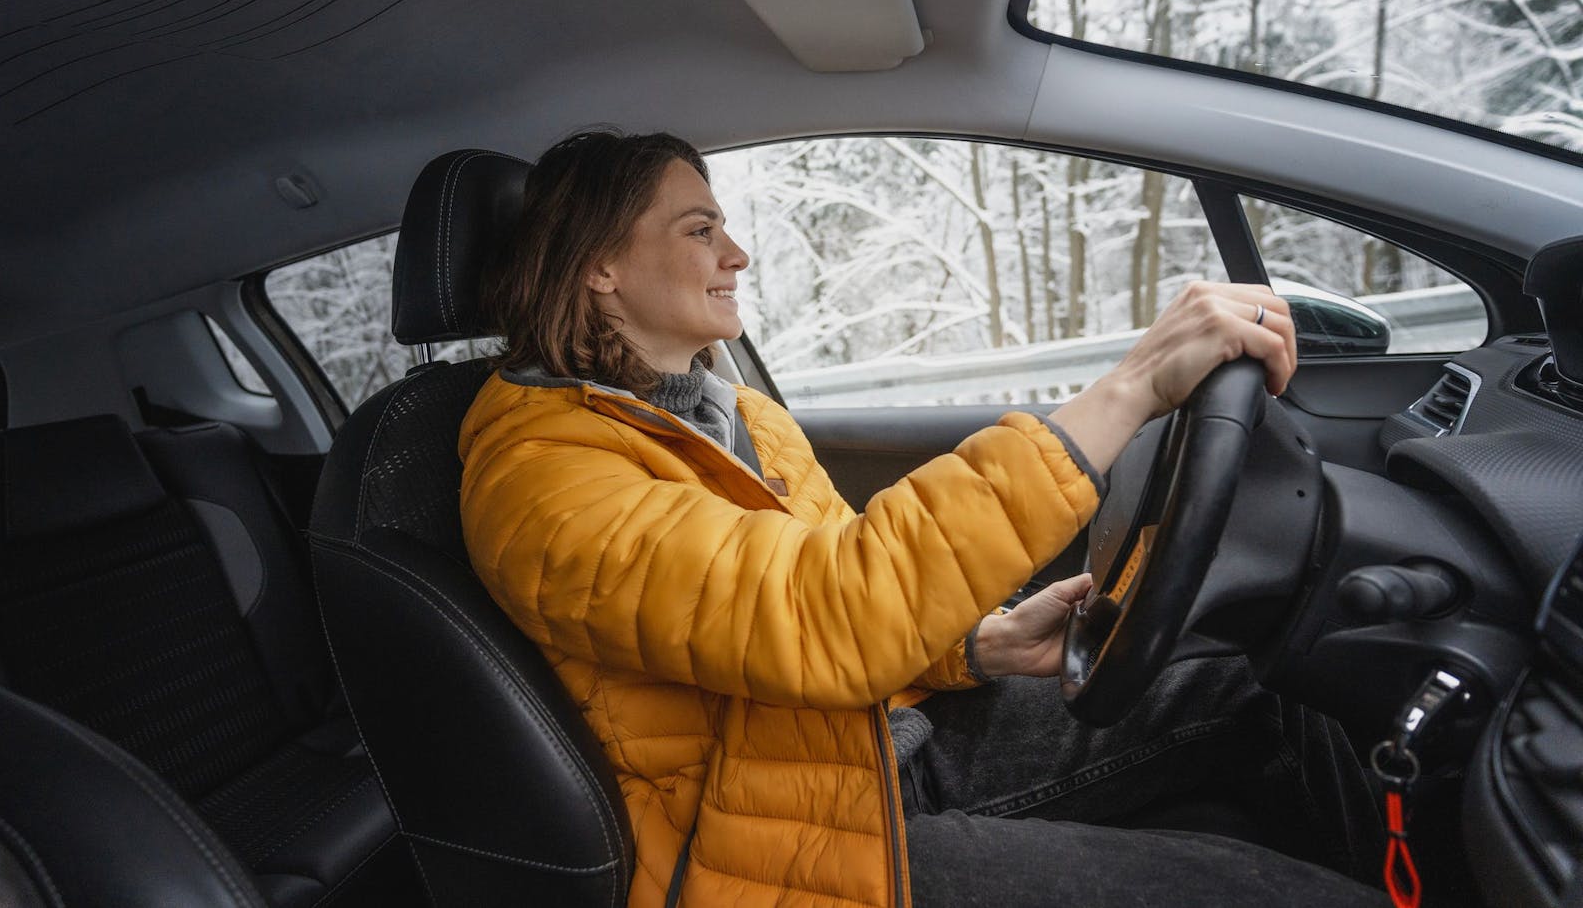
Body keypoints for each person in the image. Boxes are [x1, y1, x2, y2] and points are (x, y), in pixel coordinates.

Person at [459, 130, 1387, 908]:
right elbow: (831, 613)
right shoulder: (543, 480)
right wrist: (1132, 388)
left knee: (1247, 687)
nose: (736, 254)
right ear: (600, 267)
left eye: (727, 227)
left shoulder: (733, 416)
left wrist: (973, 646)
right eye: (701, 230)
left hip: (861, 746)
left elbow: (827, 605)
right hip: (774, 843)